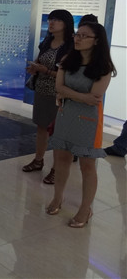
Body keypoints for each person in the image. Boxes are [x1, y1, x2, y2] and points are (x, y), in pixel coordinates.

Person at [45, 22, 116, 227]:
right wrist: (82, 97)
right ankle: (57, 197)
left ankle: (86, 209)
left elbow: (95, 96)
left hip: (89, 121)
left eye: (84, 36)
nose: (78, 38)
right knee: (61, 159)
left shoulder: (103, 68)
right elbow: (59, 87)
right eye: (77, 34)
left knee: (87, 165)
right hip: (65, 115)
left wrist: (68, 94)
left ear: (97, 41)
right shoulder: (67, 61)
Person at [22, 9, 74, 184]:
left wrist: (46, 71)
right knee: (41, 127)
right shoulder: (47, 41)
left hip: (60, 94)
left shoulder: (71, 46)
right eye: (50, 19)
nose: (51, 23)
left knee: (58, 132)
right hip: (42, 90)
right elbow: (40, 60)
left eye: (56, 20)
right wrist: (35, 68)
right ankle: (38, 160)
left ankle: (56, 169)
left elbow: (69, 75)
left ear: (66, 24)